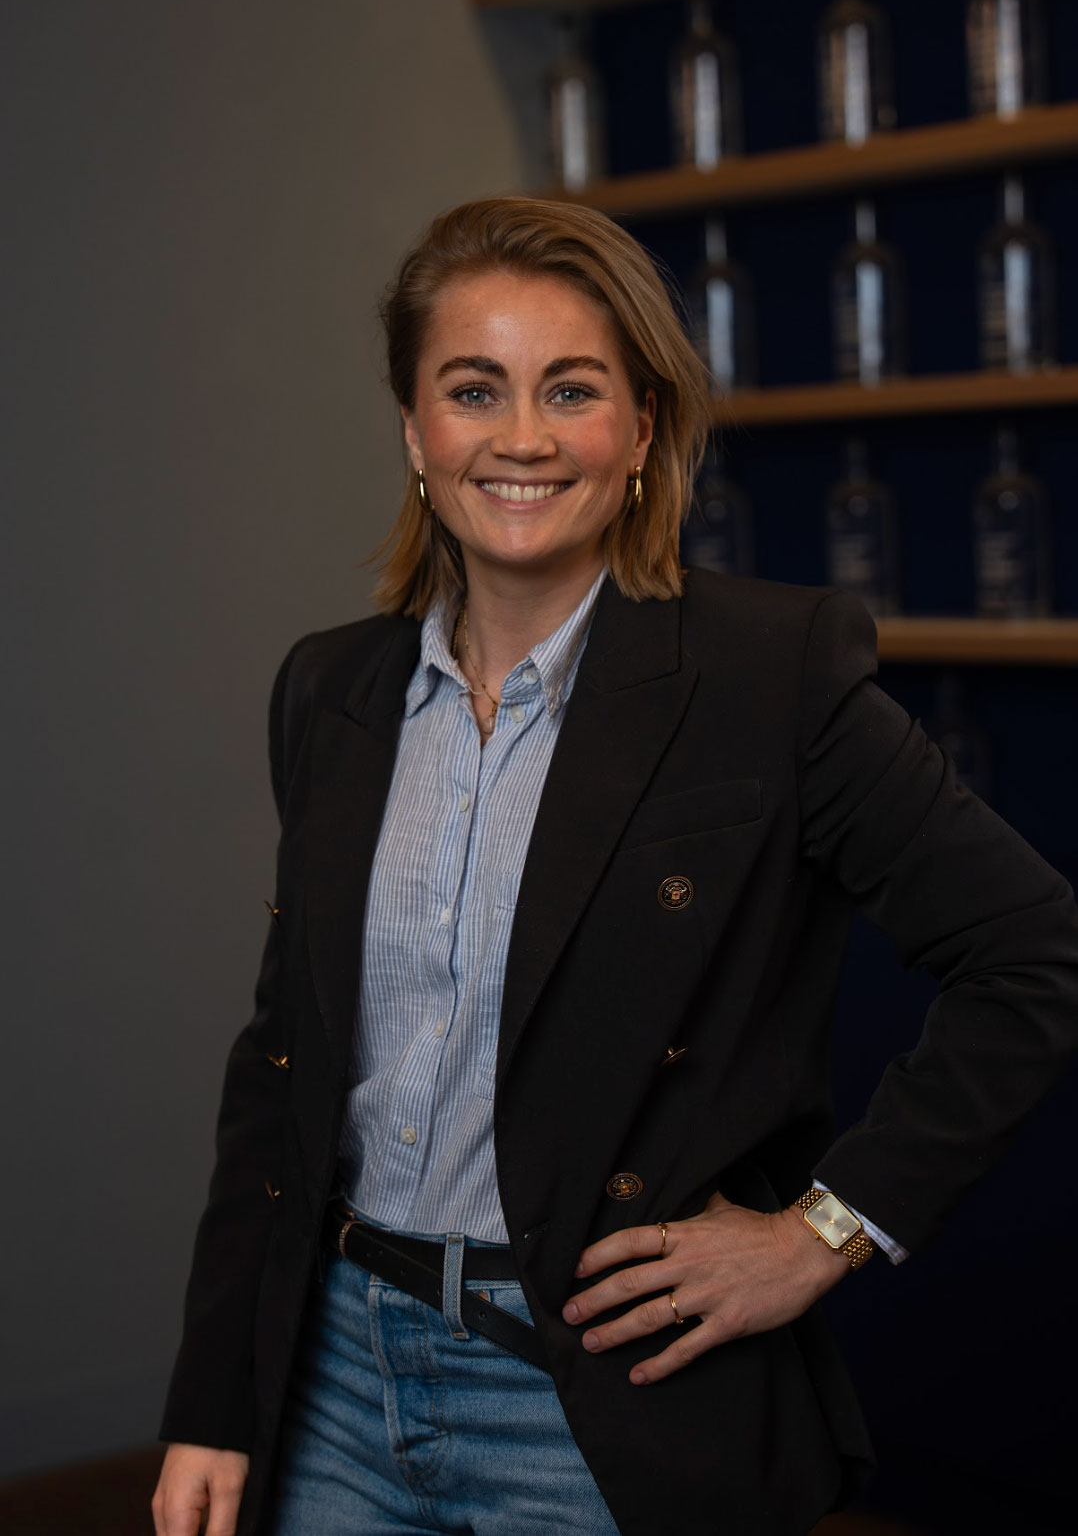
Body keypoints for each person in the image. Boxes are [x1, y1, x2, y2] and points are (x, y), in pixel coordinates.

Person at [153, 196, 1078, 1536]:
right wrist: (215, 1400)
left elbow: (1032, 953)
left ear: (641, 430)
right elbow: (278, 1068)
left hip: (595, 1402)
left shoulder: (766, 676)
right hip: (334, 1385)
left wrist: (824, 1231)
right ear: (414, 428)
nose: (522, 437)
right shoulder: (329, 689)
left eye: (571, 390)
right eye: (474, 390)